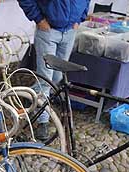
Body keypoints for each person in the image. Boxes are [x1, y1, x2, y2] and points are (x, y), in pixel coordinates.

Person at [17, 0, 90, 140]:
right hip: (48, 31)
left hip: (70, 31)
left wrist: (80, 19)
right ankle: (42, 121)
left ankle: (30, 96)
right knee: (46, 80)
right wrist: (38, 19)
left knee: (57, 78)